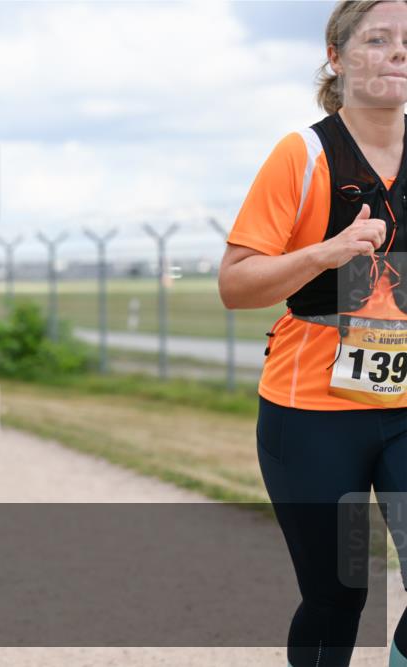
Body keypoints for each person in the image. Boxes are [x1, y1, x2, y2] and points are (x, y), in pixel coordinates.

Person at [218, 3, 407, 665]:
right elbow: (235, 285)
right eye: (378, 39)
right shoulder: (303, 155)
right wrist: (326, 254)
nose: (398, 52)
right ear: (337, 55)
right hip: (312, 415)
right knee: (337, 595)